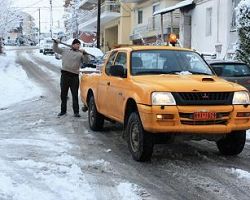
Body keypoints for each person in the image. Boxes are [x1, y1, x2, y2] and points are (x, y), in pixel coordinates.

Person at [53, 38, 89, 118]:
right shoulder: (65, 51)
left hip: (74, 77)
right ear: (73, 45)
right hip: (65, 75)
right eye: (77, 44)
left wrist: (85, 54)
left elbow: (86, 61)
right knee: (63, 94)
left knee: (75, 95)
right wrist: (55, 43)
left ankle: (76, 112)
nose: (78, 46)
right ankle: (63, 111)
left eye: (79, 45)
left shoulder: (80, 54)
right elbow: (55, 49)